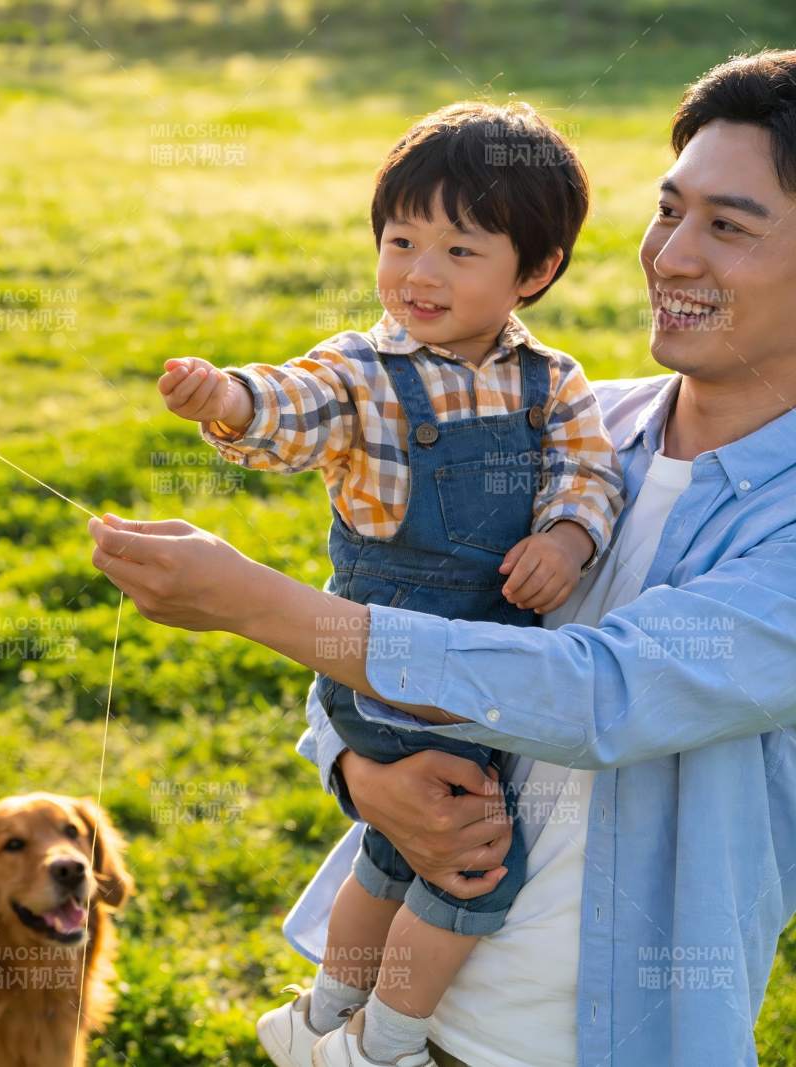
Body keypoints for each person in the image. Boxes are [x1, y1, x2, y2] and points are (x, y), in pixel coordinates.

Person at [90, 49, 796, 1067]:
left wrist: (253, 604)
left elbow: (600, 694)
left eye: (727, 226)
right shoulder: (577, 427)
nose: (671, 256)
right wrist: (358, 769)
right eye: (668, 209)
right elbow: (386, 609)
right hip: (399, 1013)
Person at [160, 101, 624, 1067]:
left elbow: (590, 473)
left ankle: (320, 1014)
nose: (418, 272)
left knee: (395, 845)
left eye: (461, 251)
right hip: (381, 667)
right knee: (472, 865)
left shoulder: (553, 382)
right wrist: (230, 400)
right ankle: (387, 1044)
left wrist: (570, 539)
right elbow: (294, 404)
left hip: (482, 666)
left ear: (533, 273)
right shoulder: (363, 371)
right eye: (401, 239)